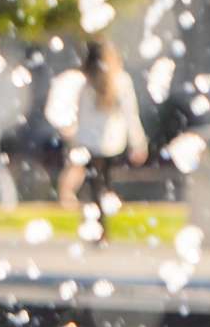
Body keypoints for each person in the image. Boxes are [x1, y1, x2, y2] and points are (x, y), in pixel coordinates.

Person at [57, 37, 147, 241]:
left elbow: (76, 113)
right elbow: (130, 114)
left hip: (88, 142)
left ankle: (95, 224)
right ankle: (100, 225)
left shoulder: (83, 82)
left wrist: (72, 136)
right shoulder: (120, 81)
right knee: (104, 183)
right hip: (111, 142)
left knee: (94, 185)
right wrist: (138, 142)